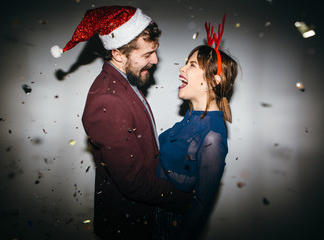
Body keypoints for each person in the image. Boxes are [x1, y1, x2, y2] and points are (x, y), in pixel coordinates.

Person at [50, 6, 191, 240]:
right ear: (117, 54)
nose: (155, 60)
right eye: (147, 54)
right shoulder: (108, 99)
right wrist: (186, 197)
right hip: (126, 226)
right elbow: (134, 183)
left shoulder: (126, 81)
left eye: (155, 51)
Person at [153, 15, 238, 240]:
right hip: (154, 216)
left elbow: (201, 205)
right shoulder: (191, 116)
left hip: (170, 226)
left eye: (191, 64)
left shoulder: (212, 136)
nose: (181, 67)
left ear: (214, 81)